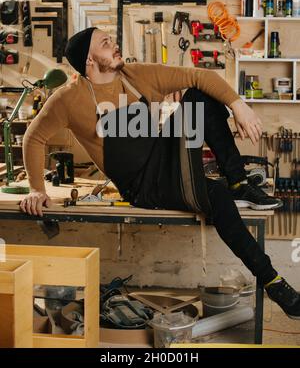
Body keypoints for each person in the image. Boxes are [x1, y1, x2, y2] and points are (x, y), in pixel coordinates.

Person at [20, 28, 300, 319]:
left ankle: (239, 182)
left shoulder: (135, 75)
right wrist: (37, 189)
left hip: (166, 160)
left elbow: (201, 76)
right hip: (142, 186)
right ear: (89, 61)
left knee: (199, 97)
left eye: (113, 39)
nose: (115, 45)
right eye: (106, 44)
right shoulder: (68, 99)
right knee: (215, 195)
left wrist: (238, 105)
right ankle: (275, 283)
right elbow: (33, 138)